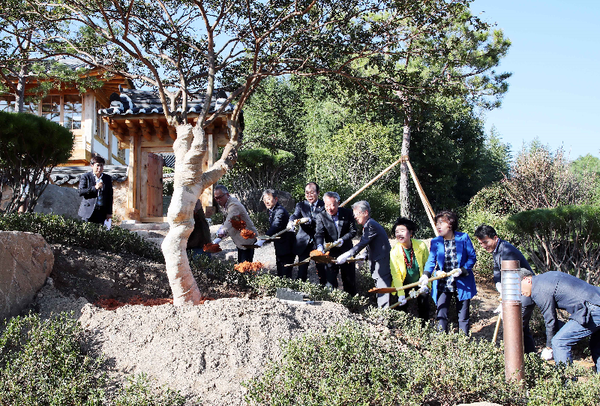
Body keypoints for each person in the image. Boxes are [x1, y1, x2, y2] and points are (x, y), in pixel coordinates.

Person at [519, 269, 600, 372]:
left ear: (527, 280)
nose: (520, 292)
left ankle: (567, 383)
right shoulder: (546, 278)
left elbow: (550, 320)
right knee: (597, 346)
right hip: (596, 301)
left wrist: (549, 347)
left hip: (593, 309)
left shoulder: (538, 290)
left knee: (559, 342)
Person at [474, 224, 536, 353]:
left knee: (517, 325)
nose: (484, 246)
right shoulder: (496, 250)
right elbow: (497, 271)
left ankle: (526, 358)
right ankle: (527, 356)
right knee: (519, 326)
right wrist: (499, 286)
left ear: (495, 237)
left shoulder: (507, 251)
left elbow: (514, 277)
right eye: (481, 244)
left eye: (486, 242)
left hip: (525, 290)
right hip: (515, 291)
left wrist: (507, 297)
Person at [420, 210, 477, 334]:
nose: (438, 226)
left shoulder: (463, 238)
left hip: (462, 281)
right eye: (437, 223)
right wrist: (426, 274)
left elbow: (472, 257)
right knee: (441, 313)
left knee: (463, 315)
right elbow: (431, 261)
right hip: (443, 281)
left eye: (441, 223)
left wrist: (462, 270)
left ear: (450, 224)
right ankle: (442, 341)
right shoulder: (436, 242)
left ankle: (463, 342)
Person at [337, 201, 391, 308]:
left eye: (357, 214)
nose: (355, 217)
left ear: (365, 212)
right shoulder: (368, 224)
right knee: (380, 291)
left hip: (382, 264)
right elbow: (370, 242)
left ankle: (384, 319)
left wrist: (347, 254)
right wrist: (364, 255)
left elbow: (362, 243)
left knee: (383, 291)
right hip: (377, 263)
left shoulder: (371, 225)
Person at [314, 191, 357, 295]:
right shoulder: (321, 216)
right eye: (327, 205)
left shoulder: (347, 213)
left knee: (349, 281)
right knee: (330, 282)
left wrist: (343, 239)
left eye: (333, 205)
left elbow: (353, 231)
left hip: (346, 251)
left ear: (338, 203)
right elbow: (319, 233)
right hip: (331, 253)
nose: (330, 208)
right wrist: (320, 246)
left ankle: (352, 304)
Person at [389, 217, 430, 321]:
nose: (399, 234)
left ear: (410, 232)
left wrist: (427, 284)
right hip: (403, 283)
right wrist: (401, 294)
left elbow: (428, 265)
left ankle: (424, 327)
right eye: (397, 231)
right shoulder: (394, 251)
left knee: (424, 303)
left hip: (420, 282)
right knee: (401, 306)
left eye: (402, 231)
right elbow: (396, 275)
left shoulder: (421, 245)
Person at [288, 182, 325, 282]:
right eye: (307, 193)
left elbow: (320, 221)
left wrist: (310, 220)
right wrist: (291, 221)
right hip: (303, 241)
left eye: (312, 192)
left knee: (322, 269)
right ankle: (300, 291)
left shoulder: (324, 205)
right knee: (302, 269)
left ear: (318, 192)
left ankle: (324, 291)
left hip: (318, 241)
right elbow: (295, 215)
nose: (309, 195)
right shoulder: (301, 205)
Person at [213, 185, 258, 263]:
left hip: (247, 240)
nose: (218, 200)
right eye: (216, 198)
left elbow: (230, 220)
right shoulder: (226, 204)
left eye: (220, 197)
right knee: (241, 264)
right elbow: (227, 222)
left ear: (227, 195)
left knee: (244, 268)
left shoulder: (233, 205)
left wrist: (221, 234)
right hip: (240, 241)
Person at [261, 189, 295, 278]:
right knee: (280, 271)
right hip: (280, 246)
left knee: (286, 273)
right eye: (264, 200)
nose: (266, 202)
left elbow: (276, 226)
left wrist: (264, 238)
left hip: (287, 247)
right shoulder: (272, 210)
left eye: (268, 199)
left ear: (276, 199)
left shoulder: (280, 211)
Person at [78, 154, 113, 225]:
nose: (99, 168)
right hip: (88, 211)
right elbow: (81, 191)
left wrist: (109, 212)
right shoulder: (86, 177)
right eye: (97, 165)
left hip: (101, 212)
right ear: (92, 166)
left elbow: (110, 196)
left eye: (101, 165)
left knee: (100, 234)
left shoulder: (107, 178)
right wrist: (95, 188)